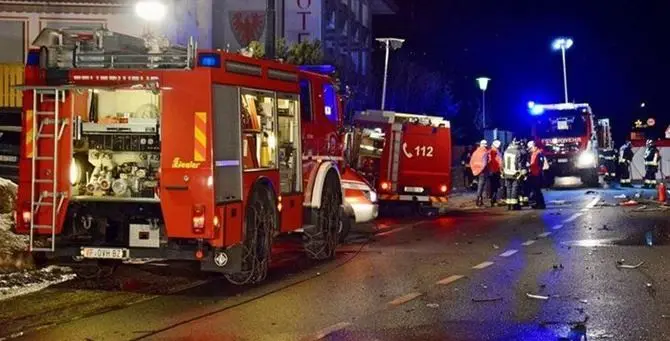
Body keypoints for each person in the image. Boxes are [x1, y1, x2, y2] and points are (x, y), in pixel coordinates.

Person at [503, 139, 524, 210]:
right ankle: (513, 205)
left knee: (508, 188)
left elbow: (503, 163)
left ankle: (508, 205)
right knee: (514, 188)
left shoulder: (506, 151)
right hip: (514, 173)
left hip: (506, 172)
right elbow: (519, 164)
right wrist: (520, 172)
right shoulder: (517, 152)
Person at [469, 140, 490, 207]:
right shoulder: (485, 152)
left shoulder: (475, 152)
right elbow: (485, 163)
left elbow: (471, 162)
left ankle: (479, 201)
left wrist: (474, 170)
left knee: (479, 186)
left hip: (476, 171)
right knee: (481, 187)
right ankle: (478, 201)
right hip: (483, 172)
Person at [527, 140, 546, 209]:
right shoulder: (534, 153)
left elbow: (540, 164)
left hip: (537, 174)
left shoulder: (538, 153)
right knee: (535, 190)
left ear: (533, 147)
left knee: (537, 190)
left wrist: (536, 170)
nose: (530, 150)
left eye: (530, 148)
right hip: (534, 173)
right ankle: (538, 203)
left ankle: (541, 204)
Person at [488, 140, 503, 207]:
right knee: (496, 186)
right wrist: (502, 170)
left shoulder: (489, 152)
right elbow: (500, 163)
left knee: (492, 186)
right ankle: (494, 200)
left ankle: (492, 200)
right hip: (496, 171)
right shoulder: (497, 152)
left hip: (490, 171)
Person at [518, 139, 530, 207]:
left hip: (519, 170)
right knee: (525, 186)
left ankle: (521, 201)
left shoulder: (518, 152)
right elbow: (528, 163)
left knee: (520, 186)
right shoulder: (526, 152)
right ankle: (526, 201)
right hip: (525, 170)